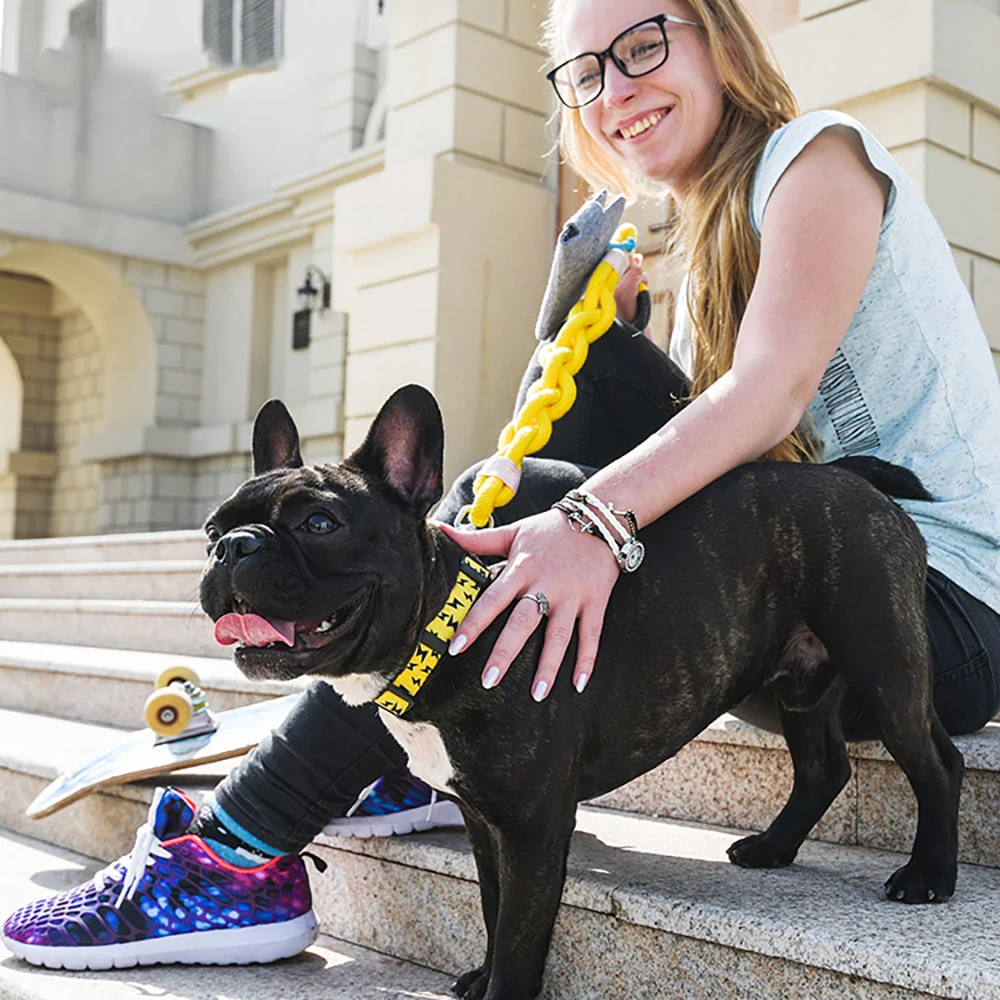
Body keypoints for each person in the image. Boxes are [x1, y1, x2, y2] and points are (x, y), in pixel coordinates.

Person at [7, 0, 1000, 971]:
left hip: (935, 609)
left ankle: (245, 839)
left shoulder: (816, 154)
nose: (614, 90)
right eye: (584, 72)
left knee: (528, 476)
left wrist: (585, 513)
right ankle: (430, 727)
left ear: (723, 36)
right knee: (540, 437)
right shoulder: (703, 246)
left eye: (641, 44)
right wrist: (589, 342)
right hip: (780, 615)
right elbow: (733, 470)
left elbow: (770, 395)